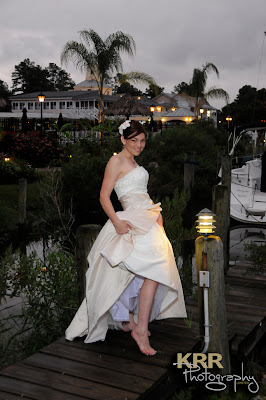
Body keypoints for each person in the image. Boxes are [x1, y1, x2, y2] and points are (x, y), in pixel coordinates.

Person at [65, 120, 187, 356]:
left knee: (152, 271)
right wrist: (118, 222)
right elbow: (104, 196)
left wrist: (156, 214)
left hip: (148, 219)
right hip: (129, 221)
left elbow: (142, 194)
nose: (139, 145)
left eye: (142, 141)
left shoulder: (133, 162)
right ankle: (137, 328)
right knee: (140, 272)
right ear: (123, 139)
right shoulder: (116, 161)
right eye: (134, 141)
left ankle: (134, 324)